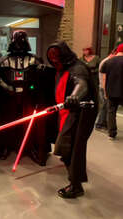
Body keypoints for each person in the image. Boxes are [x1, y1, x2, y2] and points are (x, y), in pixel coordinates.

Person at [0, 30, 52, 165]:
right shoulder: (3, 60)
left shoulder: (35, 59)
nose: (18, 44)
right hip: (8, 99)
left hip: (29, 99)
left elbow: (40, 79)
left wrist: (31, 87)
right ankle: (6, 147)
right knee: (7, 123)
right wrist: (8, 88)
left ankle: (32, 148)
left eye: (21, 41)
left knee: (31, 124)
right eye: (16, 41)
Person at [47, 41, 97, 199]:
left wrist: (75, 95)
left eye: (56, 56)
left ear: (64, 54)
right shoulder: (63, 68)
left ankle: (76, 186)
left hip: (80, 115)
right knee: (66, 148)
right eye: (51, 57)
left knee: (72, 149)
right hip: (68, 113)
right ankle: (75, 182)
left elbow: (81, 83)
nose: (54, 60)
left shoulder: (78, 68)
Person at [100, 43, 123, 140]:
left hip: (111, 91)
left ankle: (112, 133)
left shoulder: (108, 62)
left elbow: (104, 78)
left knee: (111, 112)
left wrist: (105, 91)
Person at [95, 47, 118, 131]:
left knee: (105, 106)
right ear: (114, 53)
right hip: (103, 87)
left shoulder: (107, 61)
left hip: (104, 86)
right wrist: (104, 90)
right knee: (105, 106)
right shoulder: (106, 62)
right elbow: (103, 77)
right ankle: (100, 124)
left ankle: (103, 123)